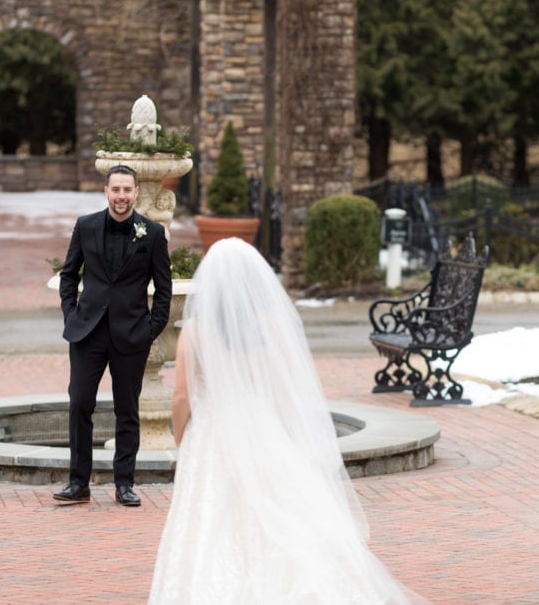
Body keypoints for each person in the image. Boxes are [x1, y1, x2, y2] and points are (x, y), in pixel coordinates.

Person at [148, 238, 419, 603]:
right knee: (274, 512)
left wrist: (182, 439)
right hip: (260, 427)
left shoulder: (195, 331)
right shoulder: (268, 328)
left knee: (213, 518)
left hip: (213, 434)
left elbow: (182, 396)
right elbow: (281, 387)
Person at [54, 164, 172, 507]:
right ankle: (79, 483)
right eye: (115, 189)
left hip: (130, 335)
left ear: (136, 193)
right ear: (106, 191)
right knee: (79, 403)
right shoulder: (85, 226)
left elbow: (163, 290)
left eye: (127, 190)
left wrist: (150, 330)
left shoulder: (151, 234)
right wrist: (71, 313)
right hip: (88, 332)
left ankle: (124, 484)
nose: (121, 196)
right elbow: (68, 276)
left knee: (127, 410)